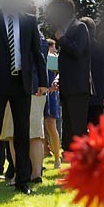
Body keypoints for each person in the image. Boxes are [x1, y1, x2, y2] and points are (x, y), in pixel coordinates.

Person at [0, 0, 48, 195]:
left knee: (22, 132)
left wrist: (43, 82)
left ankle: (22, 181)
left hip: (22, 82)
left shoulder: (29, 21)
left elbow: (37, 53)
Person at [47, 0, 91, 152]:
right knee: (69, 131)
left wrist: (62, 39)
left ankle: (84, 168)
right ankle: (74, 168)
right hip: (66, 88)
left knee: (78, 130)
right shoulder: (63, 30)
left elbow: (78, 51)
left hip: (78, 88)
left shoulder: (80, 27)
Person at [81, 17, 104, 125]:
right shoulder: (101, 48)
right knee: (96, 129)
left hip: (81, 95)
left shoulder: (79, 48)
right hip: (99, 96)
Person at [44, 39, 61, 168]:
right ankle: (45, 152)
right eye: (53, 47)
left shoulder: (53, 59)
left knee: (51, 126)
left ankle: (57, 158)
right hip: (41, 93)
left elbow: (58, 74)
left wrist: (53, 86)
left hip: (50, 95)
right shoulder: (43, 55)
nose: (55, 50)